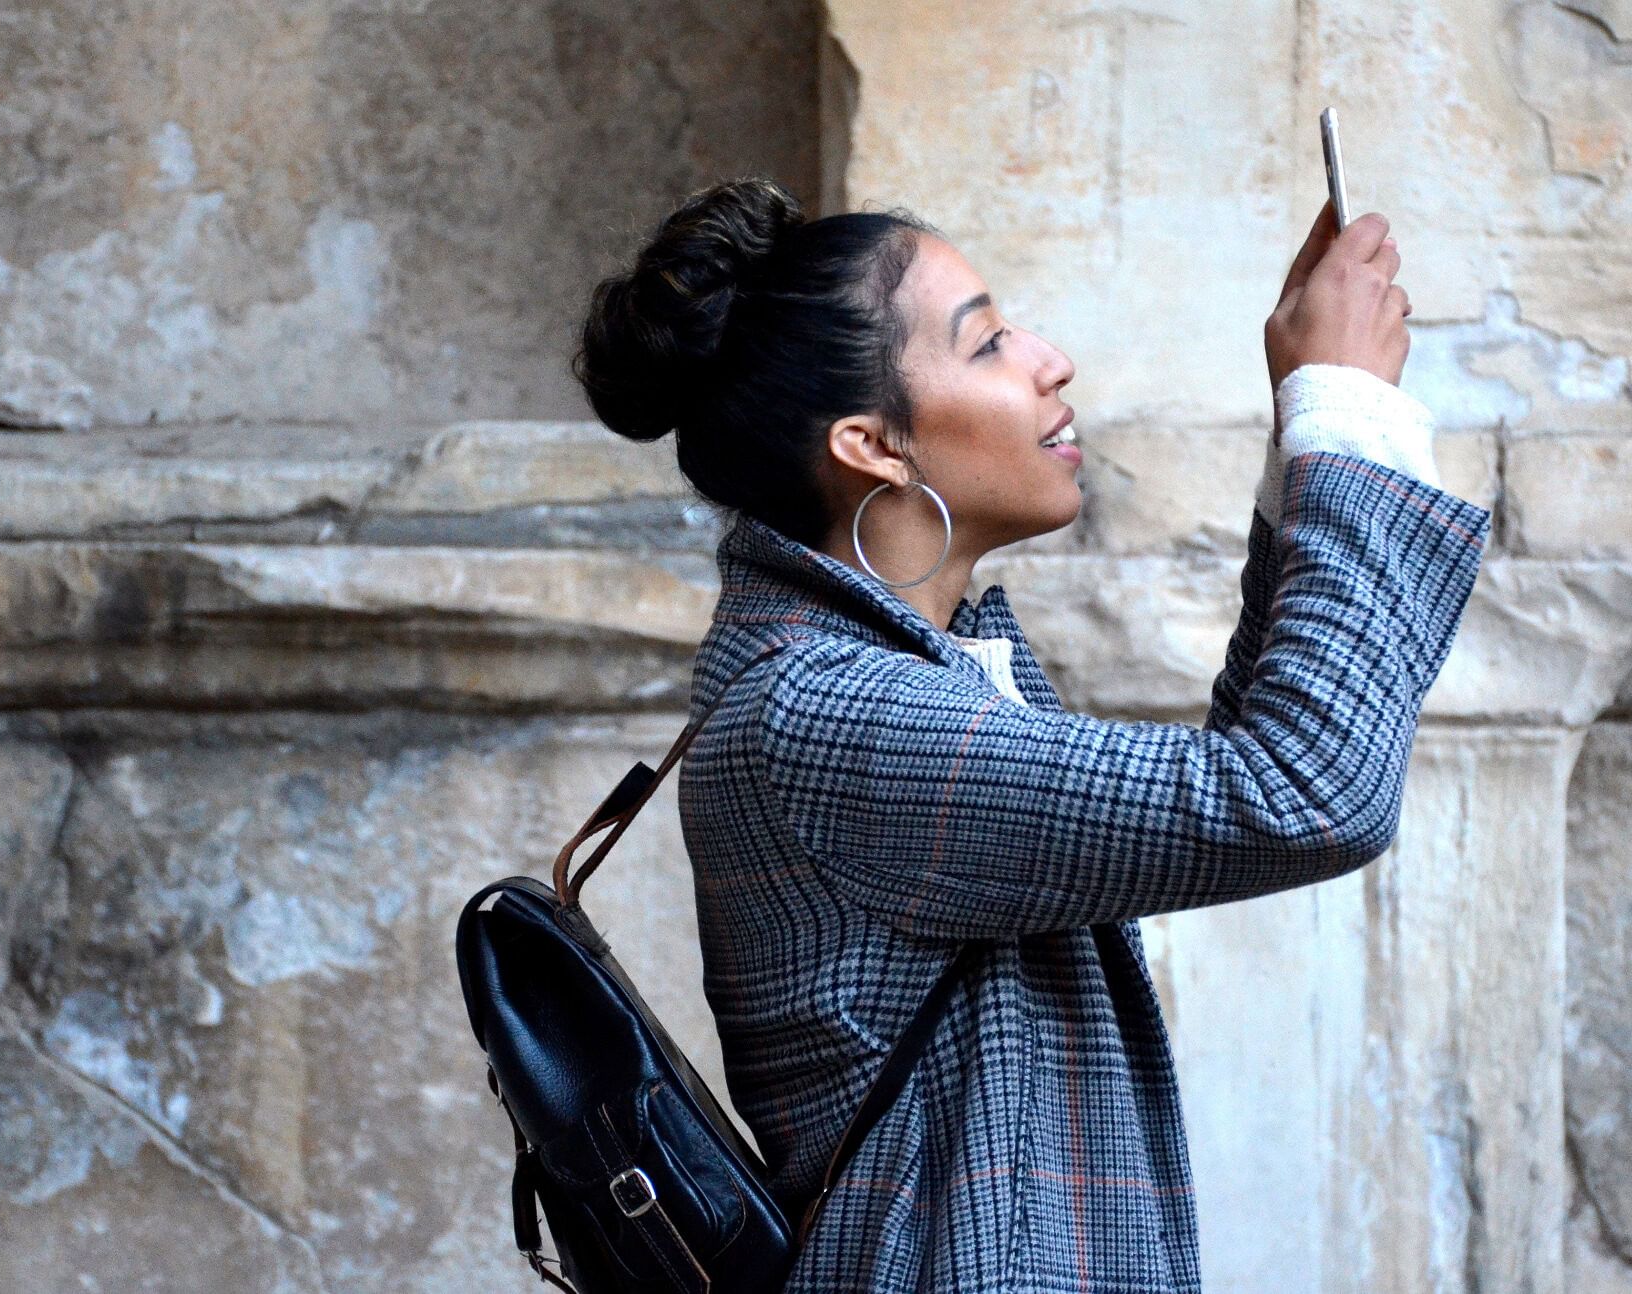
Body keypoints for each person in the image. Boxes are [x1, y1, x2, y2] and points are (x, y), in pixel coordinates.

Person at [573, 175, 1487, 1292]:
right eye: (989, 341)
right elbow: (1304, 787)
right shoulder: (827, 716)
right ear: (873, 445)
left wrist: (1313, 421)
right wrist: (1345, 412)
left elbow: (1260, 763)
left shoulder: (888, 673)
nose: (1049, 359)